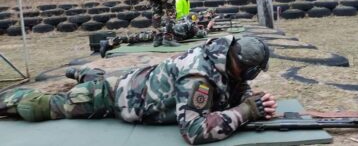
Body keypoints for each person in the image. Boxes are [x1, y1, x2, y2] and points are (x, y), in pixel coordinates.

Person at [0, 35, 277, 145]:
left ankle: (85, 73)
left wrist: (250, 99)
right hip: (112, 98)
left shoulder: (223, 59)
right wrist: (245, 111)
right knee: (43, 107)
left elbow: (235, 85)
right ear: (236, 60)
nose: (250, 77)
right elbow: (193, 131)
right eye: (250, 71)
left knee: (94, 80)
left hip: (136, 85)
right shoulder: (198, 77)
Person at [99, 16, 209, 57]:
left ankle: (110, 42)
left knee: (137, 37)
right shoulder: (191, 26)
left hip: (161, 32)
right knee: (138, 37)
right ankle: (109, 43)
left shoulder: (184, 20)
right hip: (169, 35)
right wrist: (208, 27)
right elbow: (202, 34)